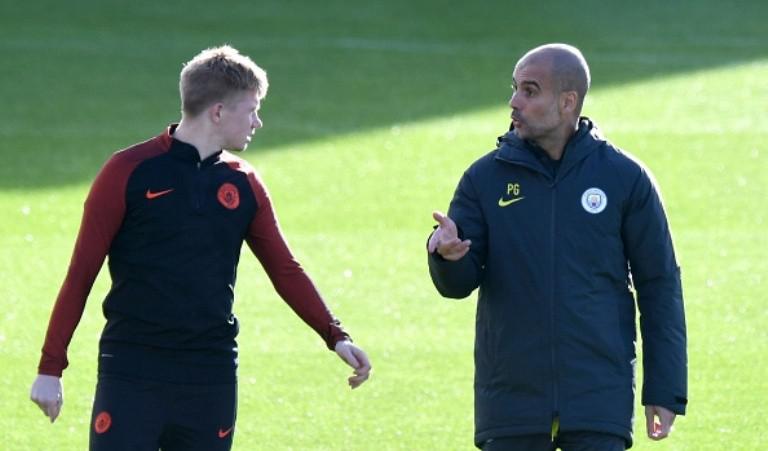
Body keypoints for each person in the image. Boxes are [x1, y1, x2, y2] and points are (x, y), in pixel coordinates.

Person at [30, 45, 371, 451]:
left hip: (210, 376)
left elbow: (285, 270)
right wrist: (51, 368)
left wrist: (336, 336)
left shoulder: (244, 183)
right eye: (252, 109)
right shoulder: (126, 171)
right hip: (132, 370)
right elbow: (81, 274)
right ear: (218, 112)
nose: (258, 122)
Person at [427, 43, 686, 450]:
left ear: (568, 102)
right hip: (510, 403)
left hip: (598, 398)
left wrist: (665, 389)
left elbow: (659, 284)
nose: (514, 101)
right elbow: (457, 284)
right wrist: (445, 255)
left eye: (530, 91)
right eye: (515, 88)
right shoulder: (485, 179)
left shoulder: (625, 178)